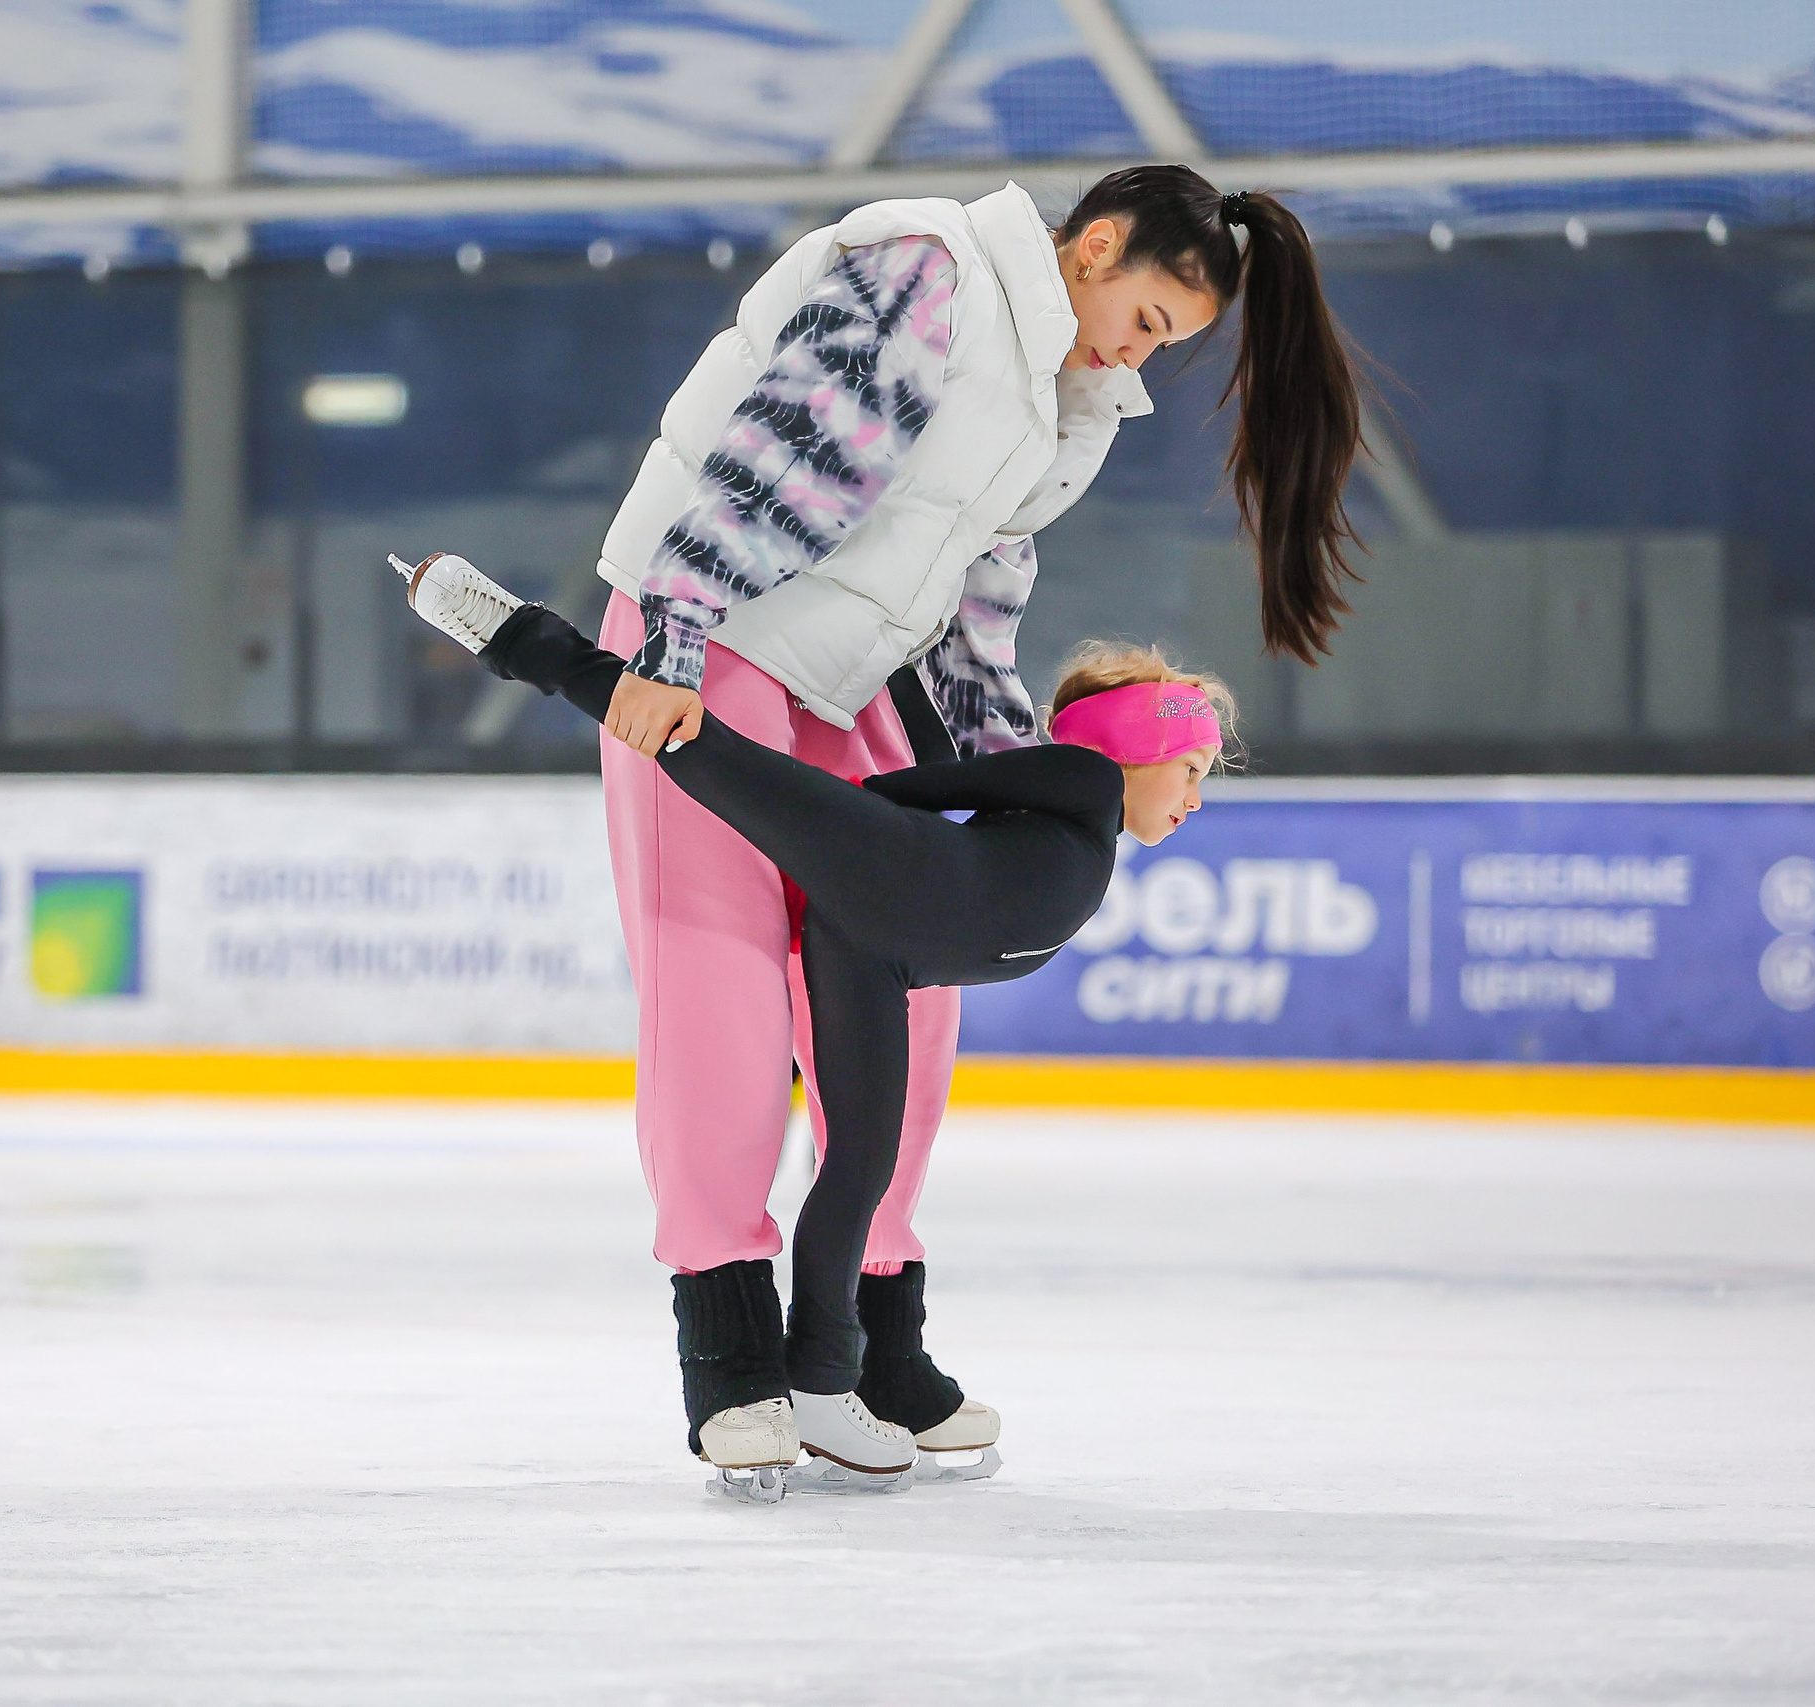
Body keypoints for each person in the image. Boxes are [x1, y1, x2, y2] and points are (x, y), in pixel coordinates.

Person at [575, 163, 1362, 1486]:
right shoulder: (926, 268)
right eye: (1151, 319)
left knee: (914, 991)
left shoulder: (1075, 405)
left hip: (843, 676)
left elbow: (977, 618)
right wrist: (665, 640)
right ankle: (729, 1350)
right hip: (702, 640)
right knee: (724, 1000)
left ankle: (876, 1337)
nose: (1142, 353)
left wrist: (1026, 801)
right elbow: (772, 462)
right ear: (1097, 244)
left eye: (1168, 341)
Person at [396, 552, 1231, 1495]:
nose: (1199, 795)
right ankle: (521, 638)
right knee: (693, 747)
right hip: (884, 867)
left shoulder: (1084, 826)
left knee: (859, 1169)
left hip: (879, 953)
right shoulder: (1082, 781)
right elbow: (932, 778)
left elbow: (944, 757)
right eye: (1193, 768)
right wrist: (849, 814)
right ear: (1136, 750)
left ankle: (835, 1370)